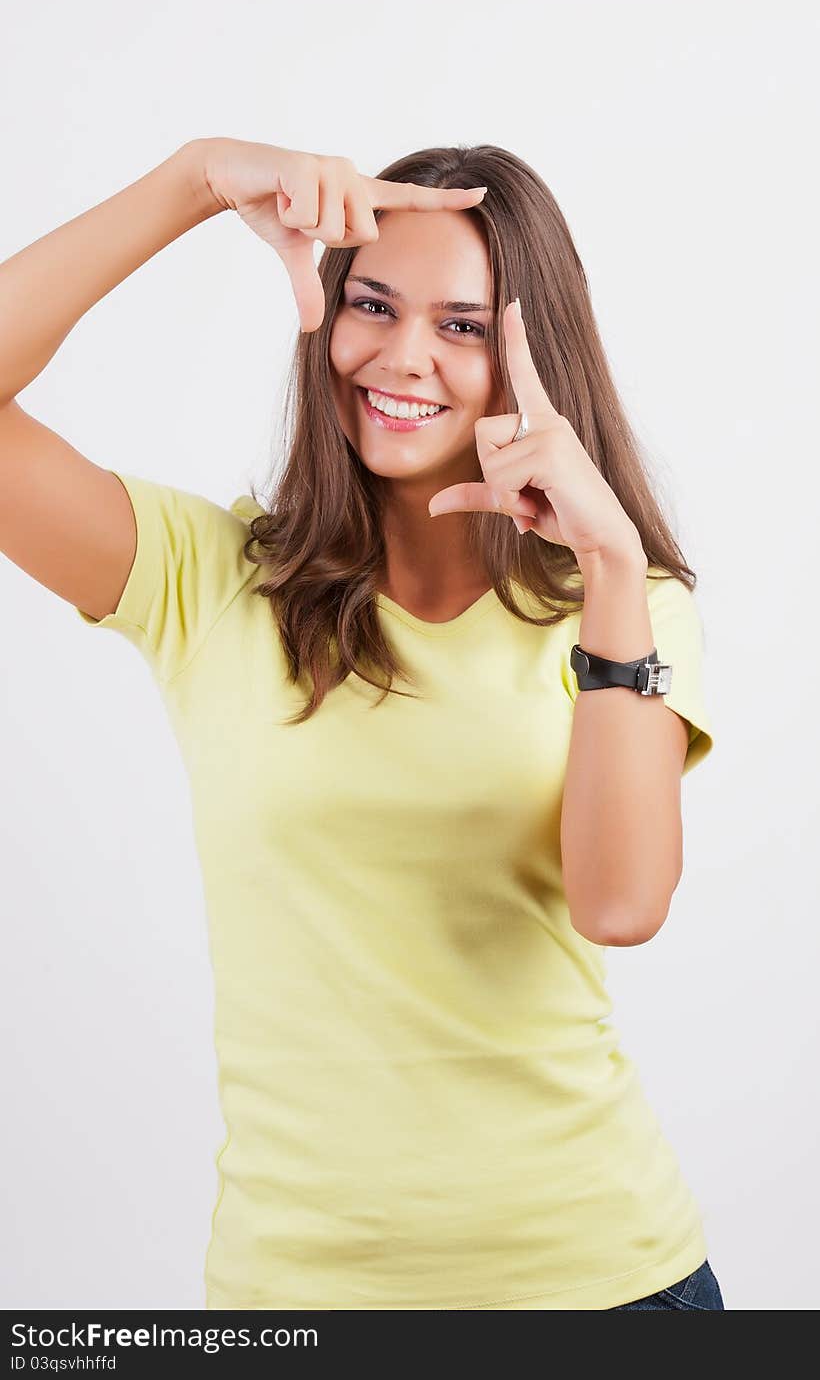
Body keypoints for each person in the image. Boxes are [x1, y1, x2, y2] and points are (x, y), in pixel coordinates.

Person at [0, 137, 724, 1311]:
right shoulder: (211, 582)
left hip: (599, 1284)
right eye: (371, 306)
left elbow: (622, 903)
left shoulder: (624, 608)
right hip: (295, 1299)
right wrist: (192, 180)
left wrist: (608, 567)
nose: (401, 356)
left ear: (536, 358)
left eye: (463, 326)